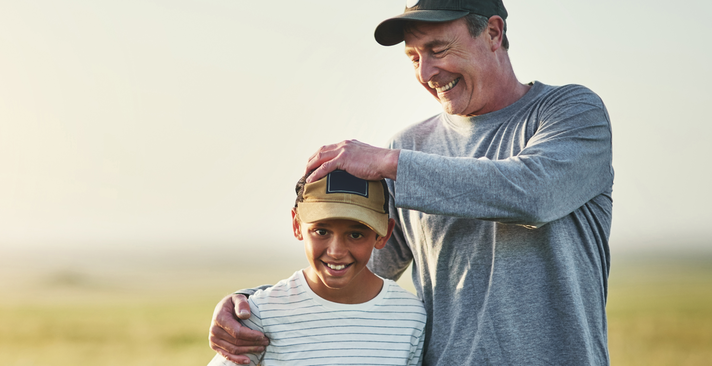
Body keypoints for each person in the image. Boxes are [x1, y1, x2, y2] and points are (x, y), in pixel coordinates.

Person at [209, 0, 614, 365]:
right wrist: (253, 302)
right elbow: (360, 268)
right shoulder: (410, 146)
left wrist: (390, 162)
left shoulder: (570, 112)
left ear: (493, 33)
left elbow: (533, 193)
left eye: (438, 49)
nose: (425, 72)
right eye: (414, 57)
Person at [208, 170, 427, 366]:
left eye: (356, 234)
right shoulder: (261, 313)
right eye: (321, 231)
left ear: (384, 234)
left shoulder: (410, 317)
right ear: (297, 225)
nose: (336, 251)